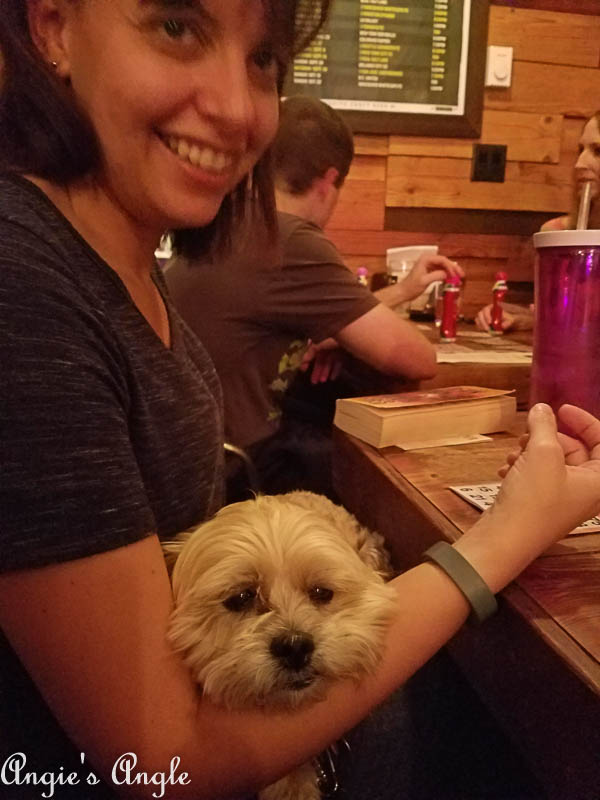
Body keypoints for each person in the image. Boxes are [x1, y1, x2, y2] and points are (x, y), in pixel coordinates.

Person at [2, 4, 600, 800]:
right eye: (178, 27)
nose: (238, 107)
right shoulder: (24, 285)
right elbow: (160, 761)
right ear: (52, 27)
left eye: (263, 61)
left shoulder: (121, 266)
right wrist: (502, 539)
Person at [166, 95, 463, 498]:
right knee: (373, 472)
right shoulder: (288, 239)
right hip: (231, 474)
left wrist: (400, 293)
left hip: (186, 457)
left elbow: (312, 307)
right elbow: (418, 359)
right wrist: (337, 334)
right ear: (328, 181)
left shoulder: (234, 222)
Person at [476, 110, 600, 333]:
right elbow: (566, 316)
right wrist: (512, 316)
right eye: (580, 150)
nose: (579, 164)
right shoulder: (559, 233)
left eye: (598, 151)